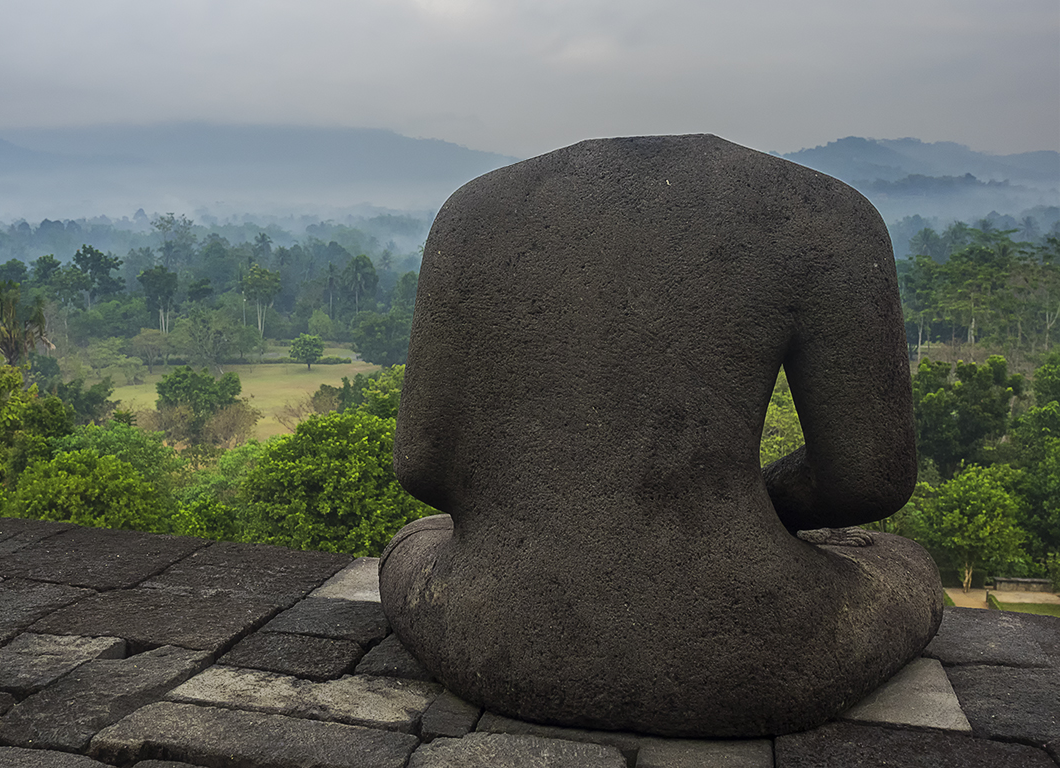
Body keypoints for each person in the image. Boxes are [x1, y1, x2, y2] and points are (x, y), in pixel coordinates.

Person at [379, 134, 942, 737]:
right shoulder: (828, 215)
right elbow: (867, 481)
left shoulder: (472, 215)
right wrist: (751, 504)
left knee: (415, 541)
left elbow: (423, 465)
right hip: (757, 652)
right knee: (906, 562)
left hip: (493, 629)